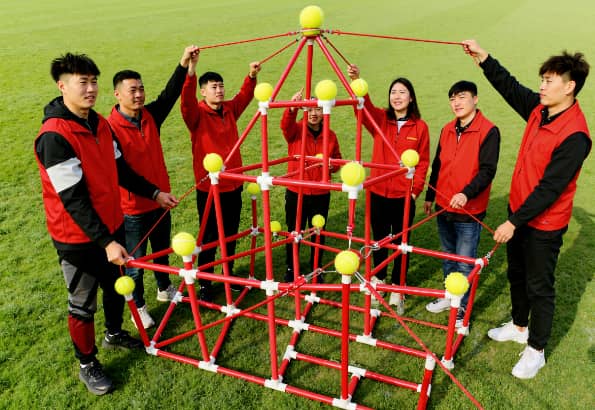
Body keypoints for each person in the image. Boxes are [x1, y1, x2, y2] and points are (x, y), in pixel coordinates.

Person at [35, 53, 173, 395]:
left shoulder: (98, 123)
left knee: (115, 287)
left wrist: (154, 192)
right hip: (76, 238)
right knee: (82, 302)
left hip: (111, 226)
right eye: (82, 82)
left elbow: (120, 169)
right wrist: (106, 242)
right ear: (62, 86)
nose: (90, 89)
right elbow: (73, 200)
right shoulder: (54, 136)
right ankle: (87, 364)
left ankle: (114, 333)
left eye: (94, 81)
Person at [462, 40, 591, 379]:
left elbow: (550, 189)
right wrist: (484, 58)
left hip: (544, 225)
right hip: (518, 213)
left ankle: (536, 350)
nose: (542, 86)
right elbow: (510, 87)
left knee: (539, 286)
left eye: (549, 81)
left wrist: (513, 222)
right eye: (542, 80)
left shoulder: (576, 135)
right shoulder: (540, 109)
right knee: (516, 275)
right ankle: (519, 326)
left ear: (569, 87)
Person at [107, 46, 198, 329]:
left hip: (161, 201)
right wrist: (154, 194)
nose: (138, 95)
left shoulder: (149, 116)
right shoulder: (109, 129)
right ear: (117, 94)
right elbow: (121, 174)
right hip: (133, 208)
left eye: (141, 89)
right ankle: (139, 307)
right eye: (132, 90)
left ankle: (164, 288)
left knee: (161, 250)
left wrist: (183, 63)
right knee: (135, 263)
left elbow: (169, 95)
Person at [181, 51, 261, 301]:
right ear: (203, 91)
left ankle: (229, 274)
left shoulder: (229, 109)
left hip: (234, 184)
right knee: (209, 237)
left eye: (221, 86)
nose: (219, 90)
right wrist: (191, 71)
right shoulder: (196, 115)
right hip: (210, 189)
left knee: (231, 233)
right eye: (214, 87)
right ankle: (205, 281)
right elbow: (186, 101)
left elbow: (244, 96)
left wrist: (251, 76)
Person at [347, 64, 430, 304]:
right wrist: (357, 80)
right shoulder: (381, 119)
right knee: (379, 240)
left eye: (402, 92)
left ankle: (397, 285)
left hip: (403, 196)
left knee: (401, 244)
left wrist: (415, 191)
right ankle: (380, 279)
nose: (397, 96)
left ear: (411, 98)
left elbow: (423, 161)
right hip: (378, 192)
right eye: (393, 92)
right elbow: (363, 109)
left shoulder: (420, 127)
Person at [423, 80, 500, 327]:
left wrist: (466, 194)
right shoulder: (447, 129)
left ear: (475, 99)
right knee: (447, 257)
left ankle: (462, 307)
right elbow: (437, 164)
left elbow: (487, 171)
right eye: (452, 99)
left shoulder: (489, 131)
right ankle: (450, 296)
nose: (456, 103)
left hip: (469, 210)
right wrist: (429, 196)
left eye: (462, 97)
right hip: (443, 205)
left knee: (465, 263)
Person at [280, 89, 343, 282]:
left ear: (324, 111)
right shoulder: (296, 130)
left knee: (318, 231)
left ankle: (316, 268)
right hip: (296, 190)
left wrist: (332, 166)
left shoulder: (330, 135)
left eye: (317, 109)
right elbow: (285, 126)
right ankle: (291, 267)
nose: (314, 114)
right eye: (309, 109)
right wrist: (291, 108)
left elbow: (337, 159)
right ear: (303, 111)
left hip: (320, 192)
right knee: (294, 231)